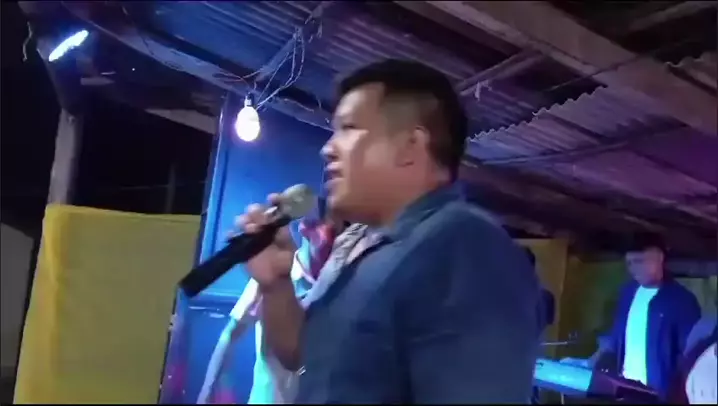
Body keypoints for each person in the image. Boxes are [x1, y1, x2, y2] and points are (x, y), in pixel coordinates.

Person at [234, 59, 541, 403]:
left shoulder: (468, 249)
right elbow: (306, 356)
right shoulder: (359, 245)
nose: (328, 148)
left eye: (349, 128)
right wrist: (276, 284)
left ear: (410, 146)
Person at [197, 197, 346, 404]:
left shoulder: (342, 284)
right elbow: (230, 335)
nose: (331, 237)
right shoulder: (272, 275)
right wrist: (207, 393)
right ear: (305, 228)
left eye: (337, 231)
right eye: (324, 227)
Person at [564, 234, 701, 399]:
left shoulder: (682, 300)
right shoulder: (627, 293)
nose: (633, 268)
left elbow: (691, 354)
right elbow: (614, 340)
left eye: (639, 261)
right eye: (629, 263)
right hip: (625, 391)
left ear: (659, 258)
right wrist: (588, 363)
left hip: (661, 396)